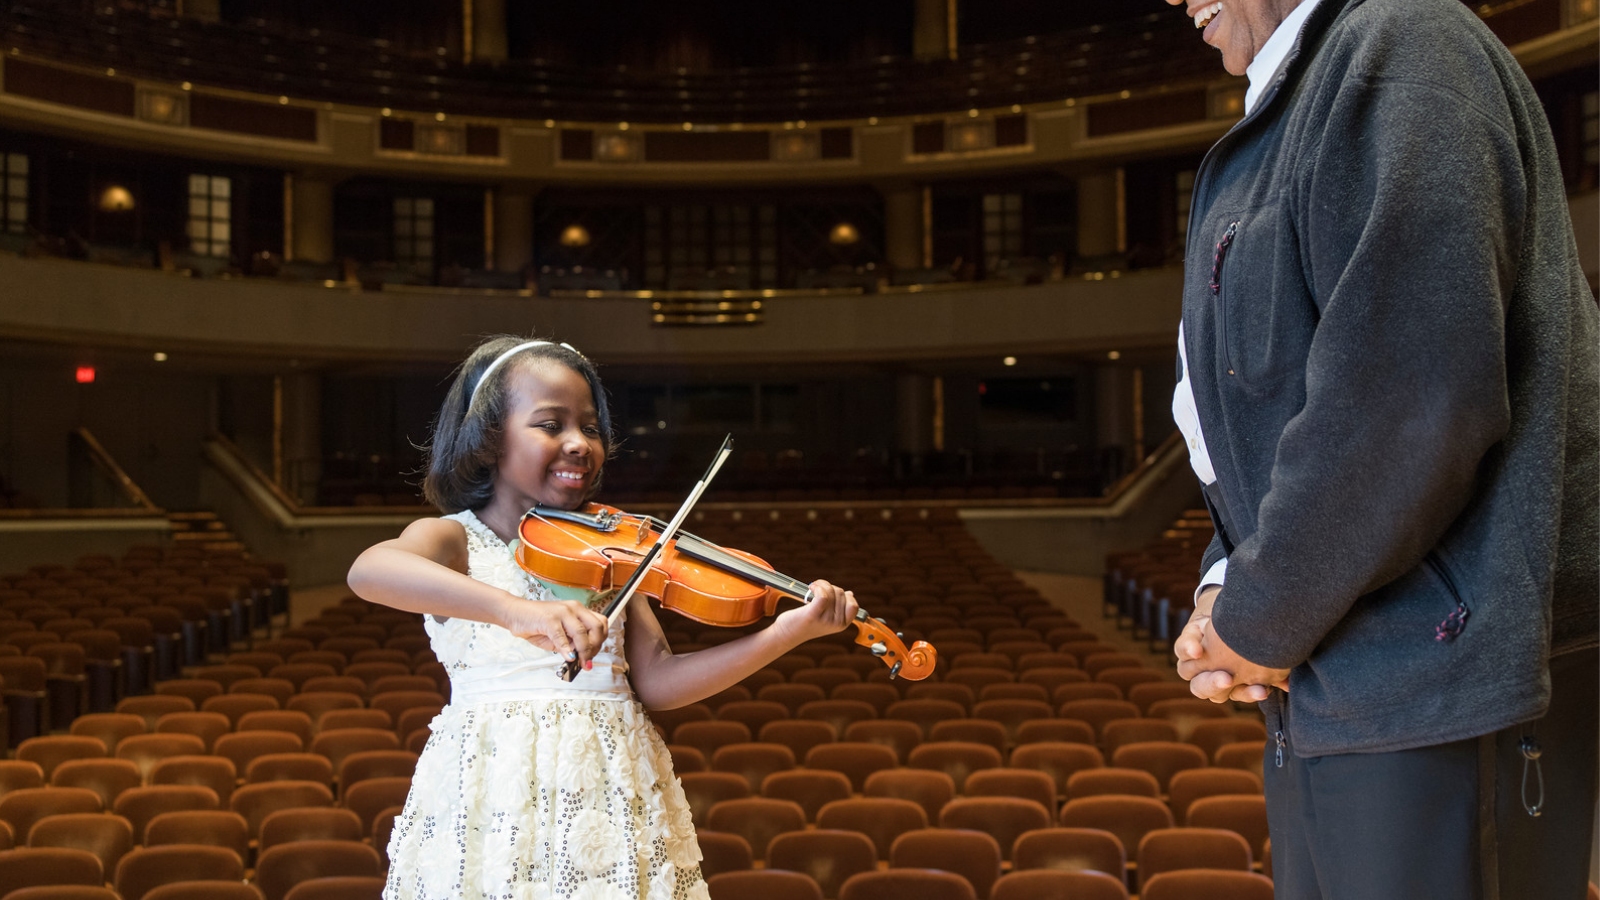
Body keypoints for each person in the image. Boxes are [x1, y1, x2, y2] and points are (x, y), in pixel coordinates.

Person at [1162, 0, 1599, 898]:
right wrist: (1225, 586)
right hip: (1335, 680)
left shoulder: (1402, 45)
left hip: (1442, 677)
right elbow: (1268, 422)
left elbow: (1410, 401)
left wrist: (1256, 620)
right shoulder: (1302, 95)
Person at [347, 336, 860, 900]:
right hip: (492, 794)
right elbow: (369, 571)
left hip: (610, 798)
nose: (578, 443)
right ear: (489, 439)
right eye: (550, 424)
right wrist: (515, 611)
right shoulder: (454, 539)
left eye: (589, 427)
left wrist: (783, 633)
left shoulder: (608, 556)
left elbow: (658, 681)